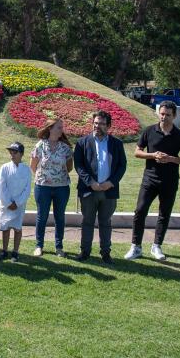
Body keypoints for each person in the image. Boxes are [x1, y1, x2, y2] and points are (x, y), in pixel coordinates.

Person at [125, 101, 180, 261]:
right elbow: (137, 152)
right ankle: (136, 246)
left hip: (170, 181)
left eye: (168, 115)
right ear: (158, 113)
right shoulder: (149, 131)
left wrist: (170, 159)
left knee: (164, 214)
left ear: (174, 116)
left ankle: (157, 246)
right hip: (150, 179)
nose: (164, 117)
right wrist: (153, 155)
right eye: (162, 113)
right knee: (140, 211)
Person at [73, 110, 127, 264]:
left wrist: (111, 182)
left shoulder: (117, 144)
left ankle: (105, 253)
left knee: (105, 223)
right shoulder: (82, 142)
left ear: (108, 126)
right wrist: (91, 182)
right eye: (95, 123)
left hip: (109, 191)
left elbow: (122, 166)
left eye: (101, 124)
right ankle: (85, 252)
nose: (97, 126)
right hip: (89, 190)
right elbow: (79, 165)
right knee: (87, 222)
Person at [29, 119, 74, 258]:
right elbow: (33, 166)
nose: (62, 130)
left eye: (62, 127)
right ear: (50, 129)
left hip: (61, 188)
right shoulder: (40, 146)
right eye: (59, 127)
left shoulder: (65, 148)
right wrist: (43, 177)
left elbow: (70, 168)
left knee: (59, 217)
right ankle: (39, 245)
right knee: (41, 217)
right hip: (43, 188)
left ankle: (59, 247)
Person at [0, 142, 32, 262]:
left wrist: (18, 203)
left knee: (17, 228)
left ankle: (15, 252)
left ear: (21, 154)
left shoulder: (26, 170)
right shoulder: (4, 167)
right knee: (5, 228)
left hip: (19, 205)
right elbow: (2, 186)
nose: (12, 154)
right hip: (6, 204)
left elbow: (27, 189)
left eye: (15, 152)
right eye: (11, 152)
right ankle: (4, 250)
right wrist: (8, 202)